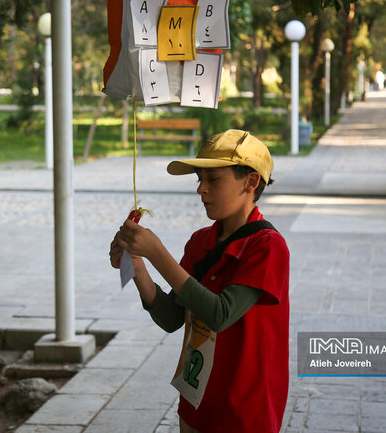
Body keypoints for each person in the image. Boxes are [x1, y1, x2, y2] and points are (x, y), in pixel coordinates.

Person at [109, 129, 290, 433]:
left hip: (245, 411)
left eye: (213, 180)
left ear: (251, 181)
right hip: (196, 403)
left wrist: (157, 253)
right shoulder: (200, 242)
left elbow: (220, 314)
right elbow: (171, 318)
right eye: (199, 180)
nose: (201, 190)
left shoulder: (267, 246)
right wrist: (138, 264)